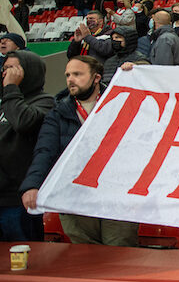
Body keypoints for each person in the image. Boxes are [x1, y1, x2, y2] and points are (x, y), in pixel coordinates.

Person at [21, 56, 139, 247]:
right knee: (85, 252)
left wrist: (136, 74)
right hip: (74, 194)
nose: (70, 79)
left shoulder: (122, 101)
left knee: (119, 249)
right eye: (68, 75)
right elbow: (45, 150)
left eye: (77, 74)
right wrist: (32, 184)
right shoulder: (58, 112)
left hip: (115, 192)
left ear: (96, 77)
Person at [0, 51, 54, 240]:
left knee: (23, 259)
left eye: (13, 68)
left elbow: (23, 122)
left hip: (17, 199)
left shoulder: (45, 102)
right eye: (5, 68)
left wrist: (11, 89)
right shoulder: (5, 101)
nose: (7, 73)